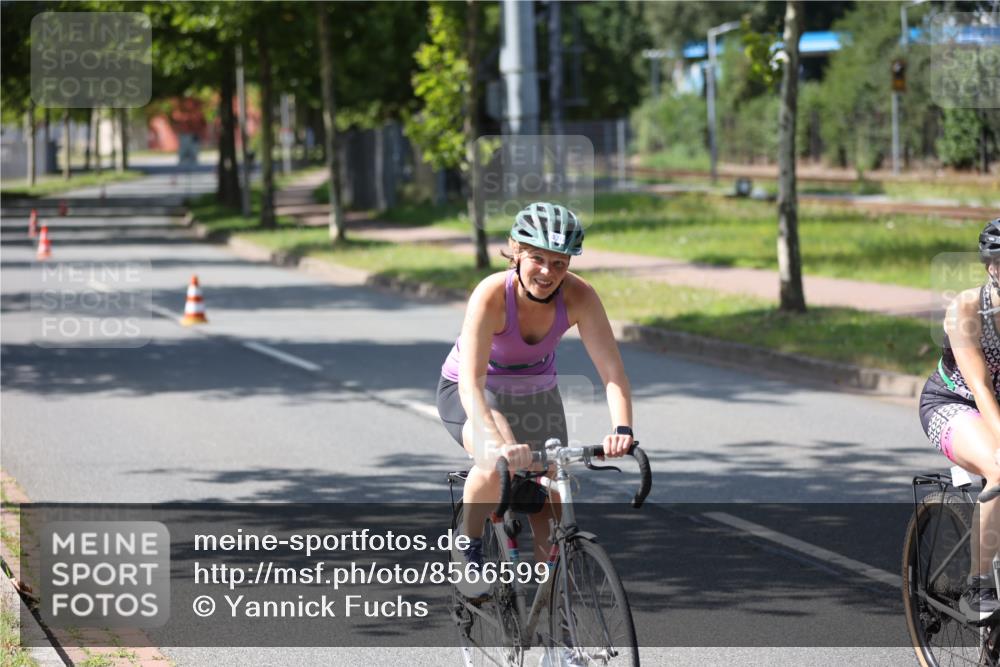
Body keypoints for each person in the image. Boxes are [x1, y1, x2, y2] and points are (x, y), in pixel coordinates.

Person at [436, 202, 635, 597]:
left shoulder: (580, 296)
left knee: (553, 501)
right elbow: (472, 386)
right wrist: (499, 443)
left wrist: (622, 429)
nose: (548, 272)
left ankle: (552, 620)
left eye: (560, 263)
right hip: (474, 387)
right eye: (538, 259)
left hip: (537, 393)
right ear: (515, 250)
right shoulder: (492, 294)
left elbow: (613, 373)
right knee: (496, 464)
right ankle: (467, 545)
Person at [920, 218, 1000, 621]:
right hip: (954, 402)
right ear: (991, 266)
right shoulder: (967, 309)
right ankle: (979, 584)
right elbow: (981, 387)